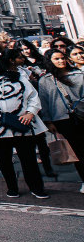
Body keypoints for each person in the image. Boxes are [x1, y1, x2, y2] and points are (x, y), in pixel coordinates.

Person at [0, 54, 49, 199]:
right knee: (3, 160)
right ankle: (12, 187)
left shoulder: (16, 77)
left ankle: (36, 187)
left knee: (29, 159)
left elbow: (33, 96)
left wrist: (30, 113)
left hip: (21, 123)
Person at [34, 49, 84, 193]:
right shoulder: (46, 80)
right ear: (50, 61)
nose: (61, 61)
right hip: (62, 119)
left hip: (81, 115)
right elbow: (44, 102)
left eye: (62, 58)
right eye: (56, 59)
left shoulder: (78, 74)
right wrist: (48, 121)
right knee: (77, 152)